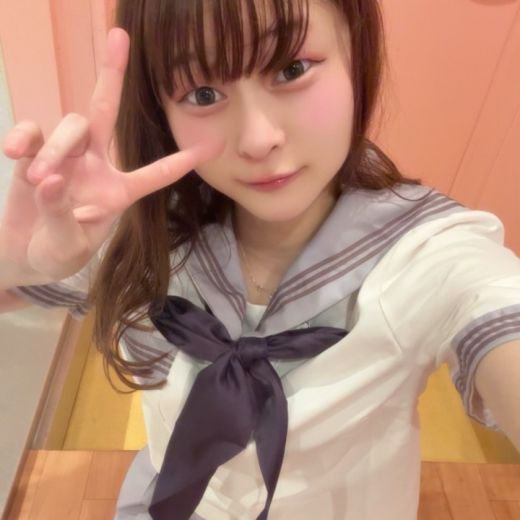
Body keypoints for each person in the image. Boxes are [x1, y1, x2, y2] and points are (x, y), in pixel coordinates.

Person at [1, 0, 519, 518]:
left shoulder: (429, 255)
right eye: (203, 94)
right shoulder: (142, 229)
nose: (257, 139)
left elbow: (490, 305)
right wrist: (14, 262)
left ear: (354, 48)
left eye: (292, 69)